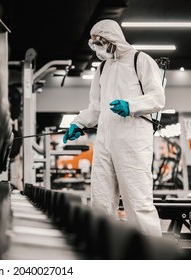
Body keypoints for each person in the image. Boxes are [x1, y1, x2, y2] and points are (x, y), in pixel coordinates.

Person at [63, 19, 165, 237]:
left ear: (113, 39)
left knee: (138, 203)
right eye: (95, 45)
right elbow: (97, 108)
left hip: (132, 142)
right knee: (101, 202)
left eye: (101, 43)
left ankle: (153, 258)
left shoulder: (141, 60)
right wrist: (78, 123)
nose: (99, 49)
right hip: (105, 142)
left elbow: (158, 98)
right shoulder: (102, 68)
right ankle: (103, 255)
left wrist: (132, 106)